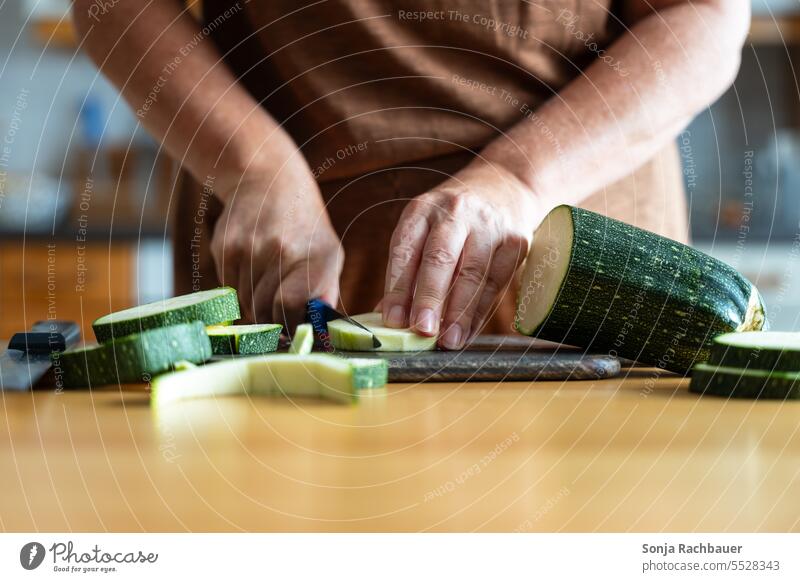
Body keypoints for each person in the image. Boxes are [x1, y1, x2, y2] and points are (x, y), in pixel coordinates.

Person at [73, 1, 749, 349]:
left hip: (584, 288)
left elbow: (705, 14)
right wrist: (255, 171)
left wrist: (517, 179)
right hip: (285, 278)